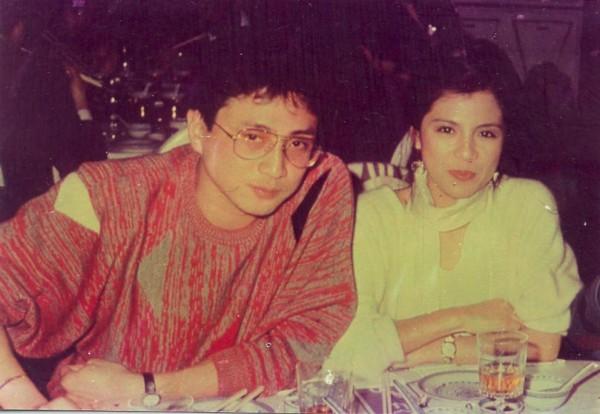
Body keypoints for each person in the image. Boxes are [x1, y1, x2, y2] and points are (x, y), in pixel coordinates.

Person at [0, 24, 356, 409]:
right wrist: (22, 398)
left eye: (298, 143)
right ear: (199, 130)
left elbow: (301, 342)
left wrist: (150, 387)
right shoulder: (112, 196)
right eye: (253, 137)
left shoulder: (316, 185)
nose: (276, 168)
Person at [326, 47, 581, 382]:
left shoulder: (527, 206)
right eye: (447, 130)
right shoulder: (374, 214)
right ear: (417, 137)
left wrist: (417, 352)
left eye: (486, 133)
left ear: (503, 139)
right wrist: (461, 318)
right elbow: (344, 352)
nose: (467, 152)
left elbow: (541, 347)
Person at [0, 0, 106, 221]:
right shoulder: (37, 77)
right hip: (25, 217)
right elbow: (91, 170)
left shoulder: (21, 72)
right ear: (19, 29)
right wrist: (81, 102)